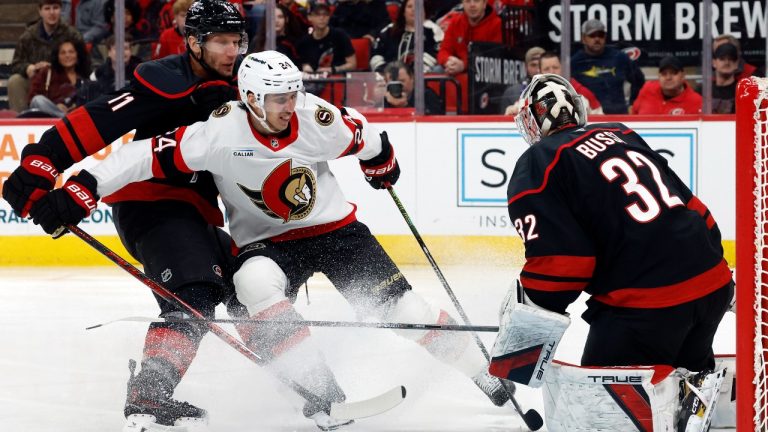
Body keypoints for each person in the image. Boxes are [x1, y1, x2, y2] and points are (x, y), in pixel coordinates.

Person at [29, 50, 513, 431]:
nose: (290, 106)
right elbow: (140, 157)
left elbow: (366, 137)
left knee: (405, 312)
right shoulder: (219, 131)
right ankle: (317, 387)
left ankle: (484, 374)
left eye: (293, 94)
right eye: (278, 98)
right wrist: (83, 186)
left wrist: (381, 161)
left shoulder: (315, 120)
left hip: (337, 232)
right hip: (267, 243)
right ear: (252, 98)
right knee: (255, 284)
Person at [2, 1, 249, 430]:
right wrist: (43, 161)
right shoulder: (167, 79)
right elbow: (98, 121)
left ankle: (303, 377)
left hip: (199, 214)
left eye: (237, 41)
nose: (232, 52)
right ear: (193, 42)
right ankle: (149, 397)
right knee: (194, 296)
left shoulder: (244, 82)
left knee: (250, 285)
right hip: (149, 205)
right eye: (221, 42)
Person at [502, 74, 732, 427]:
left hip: (647, 307)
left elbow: (563, 265)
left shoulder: (538, 163)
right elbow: (695, 209)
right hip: (713, 284)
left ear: (533, 119)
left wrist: (523, 328)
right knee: (687, 380)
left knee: (604, 412)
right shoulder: (621, 132)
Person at [8, 0, 82, 113]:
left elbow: (84, 62)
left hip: (63, 82)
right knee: (15, 81)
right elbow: (16, 64)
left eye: (55, 8)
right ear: (40, 11)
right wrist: (29, 68)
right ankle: (22, 119)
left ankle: (63, 118)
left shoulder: (72, 34)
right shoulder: (28, 36)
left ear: (61, 10)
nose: (52, 12)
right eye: (47, 9)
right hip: (36, 83)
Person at [570, 19, 645, 114]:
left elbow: (639, 80)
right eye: (592, 35)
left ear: (605, 37)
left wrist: (632, 104)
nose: (597, 39)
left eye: (600, 35)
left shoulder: (619, 57)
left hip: (619, 117)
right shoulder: (575, 63)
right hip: (590, 118)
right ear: (583, 38)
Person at [504, 51, 602, 116]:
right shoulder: (532, 92)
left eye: (555, 67)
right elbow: (514, 110)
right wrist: (512, 110)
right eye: (547, 69)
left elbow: (602, 119)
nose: (552, 72)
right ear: (541, 72)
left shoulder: (580, 91)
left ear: (562, 68)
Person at [369, 0, 443, 73]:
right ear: (403, 12)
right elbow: (376, 54)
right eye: (409, 7)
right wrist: (384, 70)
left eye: (418, 6)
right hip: (387, 75)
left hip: (420, 77)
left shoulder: (433, 30)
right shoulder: (389, 30)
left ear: (424, 12)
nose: (414, 10)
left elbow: (437, 53)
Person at [26, 38, 90, 118]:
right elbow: (32, 98)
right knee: (37, 100)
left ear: (77, 55)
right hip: (51, 117)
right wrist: (56, 105)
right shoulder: (47, 72)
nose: (67, 55)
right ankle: (65, 119)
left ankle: (67, 119)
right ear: (57, 56)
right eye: (63, 53)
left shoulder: (85, 76)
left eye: (71, 52)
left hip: (78, 115)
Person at [436, 0, 500, 76]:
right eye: (468, 1)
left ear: (484, 4)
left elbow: (492, 60)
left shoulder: (497, 25)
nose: (472, 5)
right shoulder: (455, 22)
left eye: (476, 1)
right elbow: (444, 50)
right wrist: (448, 62)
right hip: (457, 69)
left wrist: (464, 65)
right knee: (437, 70)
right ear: (462, 3)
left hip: (482, 76)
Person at [297, 1, 357, 75]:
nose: (322, 18)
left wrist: (333, 69)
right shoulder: (304, 42)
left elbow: (352, 64)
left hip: (337, 79)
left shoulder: (340, 35)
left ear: (329, 17)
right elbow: (304, 63)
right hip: (314, 80)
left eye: (325, 14)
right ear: (309, 17)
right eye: (317, 14)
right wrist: (306, 67)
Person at [631, 55, 702, 115]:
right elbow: (633, 116)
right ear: (658, 76)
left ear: (683, 76)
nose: (668, 78)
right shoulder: (647, 89)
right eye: (664, 74)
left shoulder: (696, 101)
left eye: (673, 73)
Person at [499, 46, 543, 114]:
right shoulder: (511, 93)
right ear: (526, 67)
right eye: (533, 65)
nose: (538, 69)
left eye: (540, 65)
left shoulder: (559, 88)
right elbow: (503, 122)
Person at [700, 42, 738, 114]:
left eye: (731, 59)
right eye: (722, 58)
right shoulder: (703, 91)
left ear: (736, 64)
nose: (727, 62)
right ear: (714, 62)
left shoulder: (743, 92)